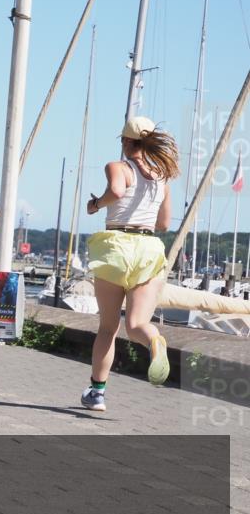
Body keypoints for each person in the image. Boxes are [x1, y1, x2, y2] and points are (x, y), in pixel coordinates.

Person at [81, 116, 180, 412]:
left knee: (108, 327)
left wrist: (96, 204)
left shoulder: (118, 167)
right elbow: (163, 223)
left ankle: (97, 394)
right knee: (137, 324)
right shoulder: (162, 177)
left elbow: (118, 191)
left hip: (117, 248)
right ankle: (154, 342)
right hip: (148, 249)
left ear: (125, 141)